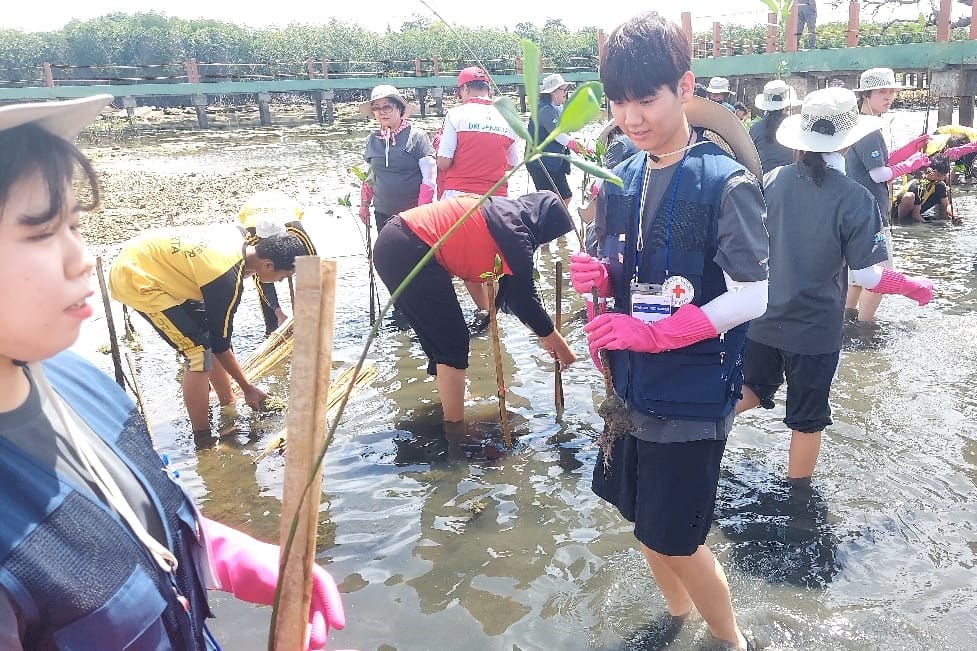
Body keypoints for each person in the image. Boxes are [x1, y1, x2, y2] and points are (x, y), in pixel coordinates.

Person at [0, 96, 343, 649]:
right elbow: (216, 340)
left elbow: (129, 518)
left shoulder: (88, 390)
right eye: (42, 233)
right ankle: (207, 428)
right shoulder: (229, 271)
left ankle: (219, 415)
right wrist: (249, 390)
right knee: (196, 355)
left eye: (76, 227)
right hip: (145, 280)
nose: (82, 258)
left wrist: (221, 555)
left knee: (205, 353)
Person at [570, 13, 770, 650]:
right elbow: (629, 273)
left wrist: (666, 333)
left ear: (684, 88)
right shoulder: (624, 171)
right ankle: (678, 616)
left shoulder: (726, 181)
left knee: (677, 536)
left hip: (689, 392)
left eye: (646, 99)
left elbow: (758, 294)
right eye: (619, 102)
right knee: (641, 523)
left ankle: (731, 640)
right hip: (630, 386)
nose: (631, 117)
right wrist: (600, 273)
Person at [736, 87, 933, 480]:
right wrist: (911, 284)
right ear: (848, 141)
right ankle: (799, 503)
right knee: (806, 421)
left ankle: (696, 434)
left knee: (751, 389)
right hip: (814, 331)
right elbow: (868, 276)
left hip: (762, 318)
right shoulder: (856, 198)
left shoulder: (772, 179)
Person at [372, 191, 577, 424]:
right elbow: (524, 300)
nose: (546, 242)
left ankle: (449, 406)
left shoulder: (502, 213)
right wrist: (563, 350)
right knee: (453, 343)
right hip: (408, 249)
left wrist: (490, 312)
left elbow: (472, 268)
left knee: (440, 338)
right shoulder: (516, 233)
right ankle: (456, 430)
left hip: (395, 241)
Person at [109, 221, 307, 438]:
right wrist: (248, 388)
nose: (280, 282)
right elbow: (220, 345)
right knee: (197, 353)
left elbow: (218, 335)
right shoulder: (225, 280)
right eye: (283, 277)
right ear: (268, 265)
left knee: (208, 337)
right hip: (136, 275)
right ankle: (202, 437)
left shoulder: (238, 242)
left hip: (156, 262)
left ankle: (227, 399)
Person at [436, 67, 523, 335]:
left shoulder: (456, 114)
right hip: (496, 201)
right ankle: (494, 311)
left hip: (459, 201)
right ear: (487, 88)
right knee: (491, 261)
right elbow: (514, 163)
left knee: (465, 263)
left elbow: (443, 161)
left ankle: (486, 312)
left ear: (463, 90)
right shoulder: (508, 117)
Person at [844, 67, 931, 323]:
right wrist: (911, 165)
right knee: (880, 275)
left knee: (856, 277)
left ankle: (846, 324)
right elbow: (878, 175)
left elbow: (877, 164)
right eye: (882, 92)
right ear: (866, 95)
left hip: (854, 213)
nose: (889, 97)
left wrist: (908, 150)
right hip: (871, 214)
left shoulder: (859, 124)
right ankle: (866, 328)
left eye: (891, 92)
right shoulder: (869, 128)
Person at [238, 189, 318, 335]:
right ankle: (272, 330)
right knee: (265, 278)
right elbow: (261, 281)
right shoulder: (253, 240)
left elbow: (312, 267)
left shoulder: (296, 232)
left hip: (285, 217)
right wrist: (278, 312)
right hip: (255, 218)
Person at [358, 84, 436, 234]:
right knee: (387, 254)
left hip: (412, 214)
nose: (382, 112)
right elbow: (368, 177)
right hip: (382, 212)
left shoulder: (417, 137)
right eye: (376, 108)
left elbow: (430, 179)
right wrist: (364, 205)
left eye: (387, 107)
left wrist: (421, 213)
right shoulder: (372, 140)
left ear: (400, 109)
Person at [526, 72, 591, 206]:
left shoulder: (555, 108)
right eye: (563, 89)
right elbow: (558, 135)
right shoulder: (545, 110)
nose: (565, 93)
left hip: (552, 162)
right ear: (552, 92)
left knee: (564, 196)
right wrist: (579, 147)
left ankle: (556, 224)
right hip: (540, 163)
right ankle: (550, 225)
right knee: (550, 200)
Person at [749, 79, 803, 175]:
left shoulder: (755, 128)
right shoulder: (795, 125)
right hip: (791, 179)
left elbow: (750, 159)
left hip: (764, 181)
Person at [891, 156, 958, 224]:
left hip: (918, 207)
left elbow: (946, 206)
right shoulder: (918, 185)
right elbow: (915, 215)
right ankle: (902, 223)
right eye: (938, 175)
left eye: (944, 175)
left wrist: (954, 216)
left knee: (947, 190)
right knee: (909, 197)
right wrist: (927, 225)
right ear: (930, 171)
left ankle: (943, 217)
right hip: (898, 211)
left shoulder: (940, 185)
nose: (941, 178)